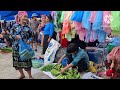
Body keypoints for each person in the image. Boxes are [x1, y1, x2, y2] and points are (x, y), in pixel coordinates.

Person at [10, 11, 34, 79]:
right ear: (20, 17)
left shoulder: (28, 27)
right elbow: (10, 35)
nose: (26, 18)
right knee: (17, 63)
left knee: (27, 62)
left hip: (25, 48)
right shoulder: (15, 26)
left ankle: (30, 76)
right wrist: (15, 37)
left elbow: (32, 36)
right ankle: (22, 74)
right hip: (16, 47)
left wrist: (30, 40)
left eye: (27, 17)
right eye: (25, 16)